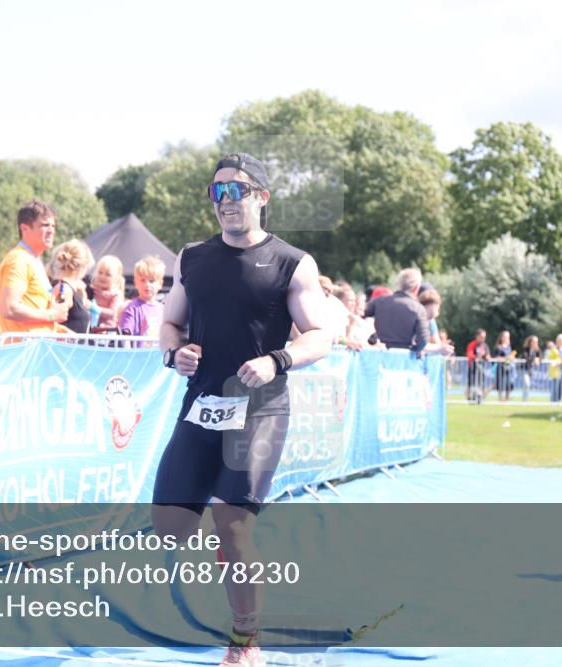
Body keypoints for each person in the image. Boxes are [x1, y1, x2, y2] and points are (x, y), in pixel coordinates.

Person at [154, 153, 329, 667]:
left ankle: (245, 643)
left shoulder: (292, 262)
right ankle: (233, 550)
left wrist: (279, 361)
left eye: (237, 190)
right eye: (217, 192)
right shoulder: (192, 257)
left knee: (231, 524)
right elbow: (170, 325)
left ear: (262, 197)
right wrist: (173, 353)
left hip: (260, 408)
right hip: (203, 404)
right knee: (170, 528)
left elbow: (322, 335)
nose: (225, 201)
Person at [0, 199, 70, 339]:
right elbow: (10, 308)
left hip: (36, 351)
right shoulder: (18, 260)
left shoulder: (33, 260)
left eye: (53, 226)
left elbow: (36, 316)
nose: (51, 231)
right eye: (45, 225)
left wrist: (61, 331)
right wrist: (53, 315)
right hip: (24, 353)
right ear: (24, 228)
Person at [364, 268, 453, 355]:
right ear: (416, 287)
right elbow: (423, 340)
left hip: (380, 356)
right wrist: (413, 350)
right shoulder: (419, 309)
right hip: (405, 360)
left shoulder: (379, 302)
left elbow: (360, 314)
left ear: (400, 284)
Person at [49, 239, 96, 334]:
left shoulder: (65, 288)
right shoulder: (63, 289)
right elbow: (53, 320)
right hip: (66, 347)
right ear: (84, 266)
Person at [119, 255, 165, 341]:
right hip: (138, 354)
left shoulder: (163, 310)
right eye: (142, 280)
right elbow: (125, 340)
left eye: (151, 281)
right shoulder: (132, 309)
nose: (147, 284)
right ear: (136, 282)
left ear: (160, 284)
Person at [91, 254, 126, 331]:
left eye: (108, 275)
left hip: (107, 331)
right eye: (100, 272)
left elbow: (113, 313)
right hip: (91, 328)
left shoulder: (116, 294)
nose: (103, 277)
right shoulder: (92, 290)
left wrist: (96, 309)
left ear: (116, 278)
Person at [465, 329, 488, 402]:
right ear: (477, 336)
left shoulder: (484, 345)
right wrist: (476, 357)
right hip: (472, 366)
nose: (483, 339)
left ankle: (482, 397)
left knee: (482, 382)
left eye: (484, 337)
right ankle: (468, 397)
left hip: (481, 367)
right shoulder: (472, 344)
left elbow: (488, 355)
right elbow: (469, 354)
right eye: (481, 337)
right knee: (470, 382)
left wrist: (486, 356)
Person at [492, 330, 514, 401]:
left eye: (508, 337)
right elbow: (496, 357)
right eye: (505, 337)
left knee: (509, 383)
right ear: (502, 337)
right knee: (500, 383)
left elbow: (510, 357)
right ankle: (500, 398)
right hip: (501, 367)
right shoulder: (498, 347)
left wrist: (511, 358)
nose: (507, 338)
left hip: (508, 367)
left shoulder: (509, 347)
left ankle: (507, 398)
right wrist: (506, 358)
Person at [546, 335, 562, 402]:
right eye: (558, 340)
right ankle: (553, 401)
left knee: (561, 388)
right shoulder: (554, 349)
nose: (559, 342)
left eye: (561, 341)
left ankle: (558, 401)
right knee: (555, 388)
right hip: (555, 372)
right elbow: (549, 359)